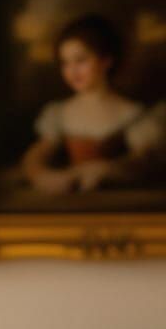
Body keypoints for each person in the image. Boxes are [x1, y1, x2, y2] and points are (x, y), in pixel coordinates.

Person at [21, 12, 166, 195]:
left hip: (120, 202)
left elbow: (143, 162)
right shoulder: (60, 112)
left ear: (105, 61)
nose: (72, 71)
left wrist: (105, 170)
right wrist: (41, 175)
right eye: (65, 63)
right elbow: (38, 155)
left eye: (80, 60)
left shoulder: (134, 114)